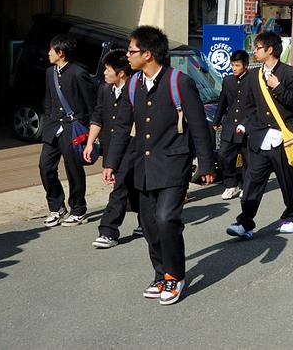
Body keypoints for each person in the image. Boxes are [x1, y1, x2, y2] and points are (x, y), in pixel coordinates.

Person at [106, 26, 215, 306]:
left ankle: (175, 275)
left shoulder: (179, 82)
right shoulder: (132, 84)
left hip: (173, 164)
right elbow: (121, 127)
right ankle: (160, 273)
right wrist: (111, 163)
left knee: (167, 219)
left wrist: (206, 164)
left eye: (131, 51)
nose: (127, 55)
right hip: (142, 166)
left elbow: (200, 126)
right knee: (148, 224)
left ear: (148, 54)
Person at [226, 32, 293, 240]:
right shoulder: (253, 76)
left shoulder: (290, 73)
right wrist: (247, 125)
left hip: (283, 136)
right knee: (252, 180)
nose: (255, 51)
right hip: (260, 136)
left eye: (258, 47)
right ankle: (245, 222)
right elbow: (250, 106)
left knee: (286, 179)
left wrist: (278, 87)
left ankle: (292, 216)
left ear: (270, 49)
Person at [39, 34, 96, 227]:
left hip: (73, 128)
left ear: (60, 53)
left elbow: (91, 104)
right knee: (45, 166)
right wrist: (48, 122)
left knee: (74, 170)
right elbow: (48, 100)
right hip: (53, 127)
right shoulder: (49, 73)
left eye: (51, 50)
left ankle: (78, 209)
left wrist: (89, 132)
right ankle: (57, 207)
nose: (48, 53)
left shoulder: (79, 73)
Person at [85, 49, 139, 248]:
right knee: (133, 185)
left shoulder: (135, 90)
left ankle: (108, 231)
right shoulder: (104, 89)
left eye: (108, 69)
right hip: (111, 147)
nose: (104, 73)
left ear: (121, 73)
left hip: (132, 147)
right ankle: (145, 220)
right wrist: (90, 143)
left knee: (120, 187)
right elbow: (98, 116)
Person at [213, 50, 250, 200]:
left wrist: (247, 123)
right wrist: (216, 120)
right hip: (229, 125)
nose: (234, 68)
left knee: (248, 159)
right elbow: (223, 101)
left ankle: (246, 186)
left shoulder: (253, 80)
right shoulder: (227, 80)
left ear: (245, 66)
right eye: (232, 65)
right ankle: (231, 184)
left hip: (247, 126)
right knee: (223, 155)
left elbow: (256, 105)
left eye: (237, 65)